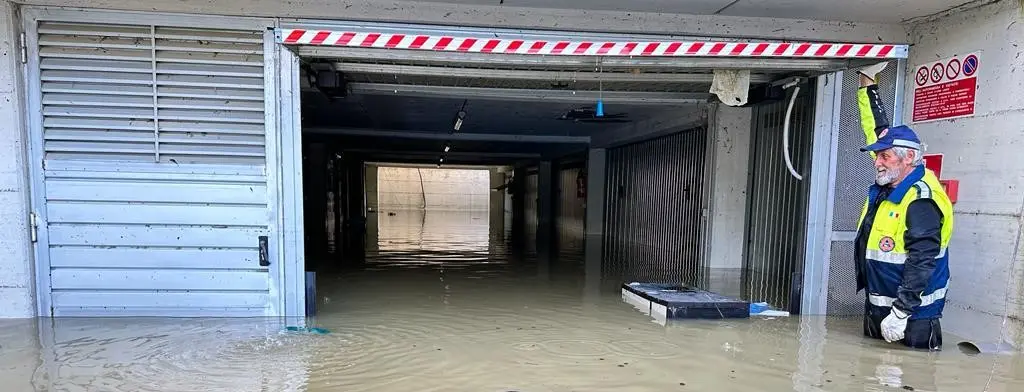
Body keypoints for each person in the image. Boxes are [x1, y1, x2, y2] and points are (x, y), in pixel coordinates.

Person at [854, 62, 955, 350]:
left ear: (908, 158)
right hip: (879, 306)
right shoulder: (893, 182)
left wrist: (900, 312)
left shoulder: (921, 199)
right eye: (878, 156)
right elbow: (875, 130)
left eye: (884, 156)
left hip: (914, 318)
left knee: (909, 375)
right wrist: (867, 83)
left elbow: (923, 260)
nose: (877, 162)